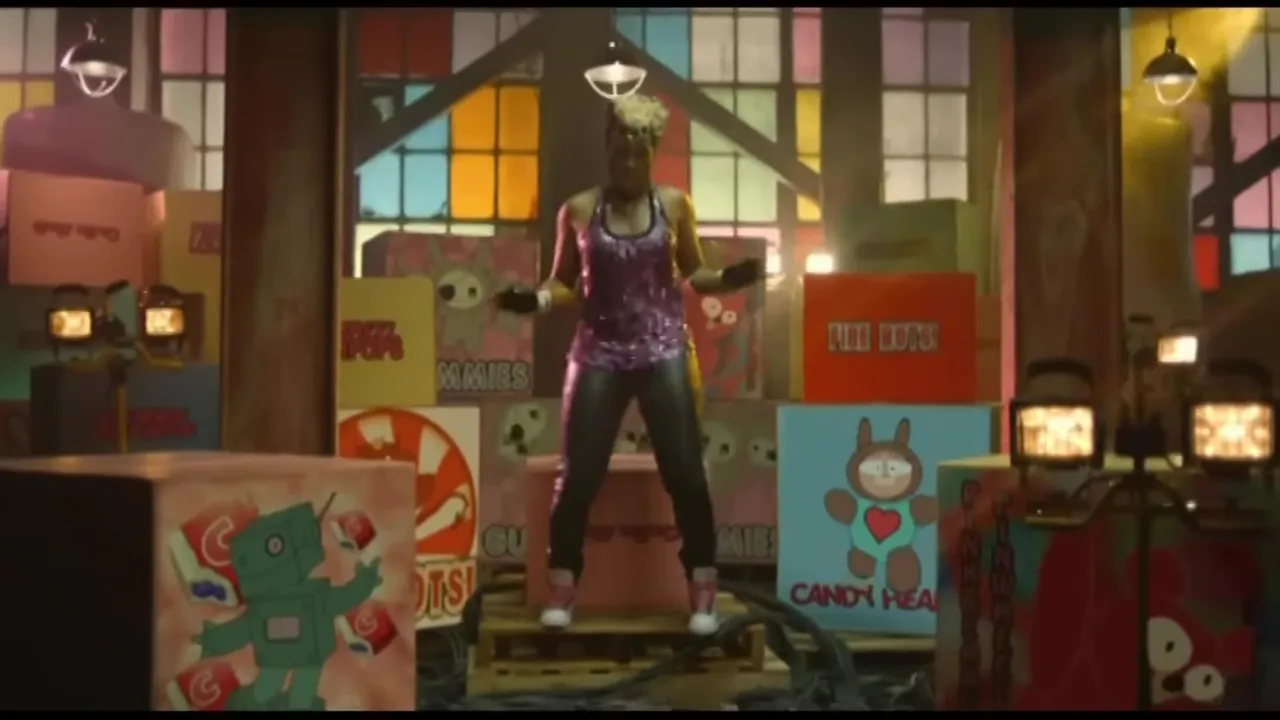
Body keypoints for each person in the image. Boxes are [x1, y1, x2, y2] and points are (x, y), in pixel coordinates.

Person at [493, 93, 763, 635]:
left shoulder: (675, 206)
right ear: (608, 149)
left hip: (663, 349)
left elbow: (695, 273)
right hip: (598, 351)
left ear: (654, 153)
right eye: (620, 153)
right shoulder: (579, 210)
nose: (629, 164)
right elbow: (564, 282)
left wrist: (729, 280)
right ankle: (562, 588)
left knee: (685, 473)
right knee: (577, 476)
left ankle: (702, 590)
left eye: (639, 155)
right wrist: (535, 300)